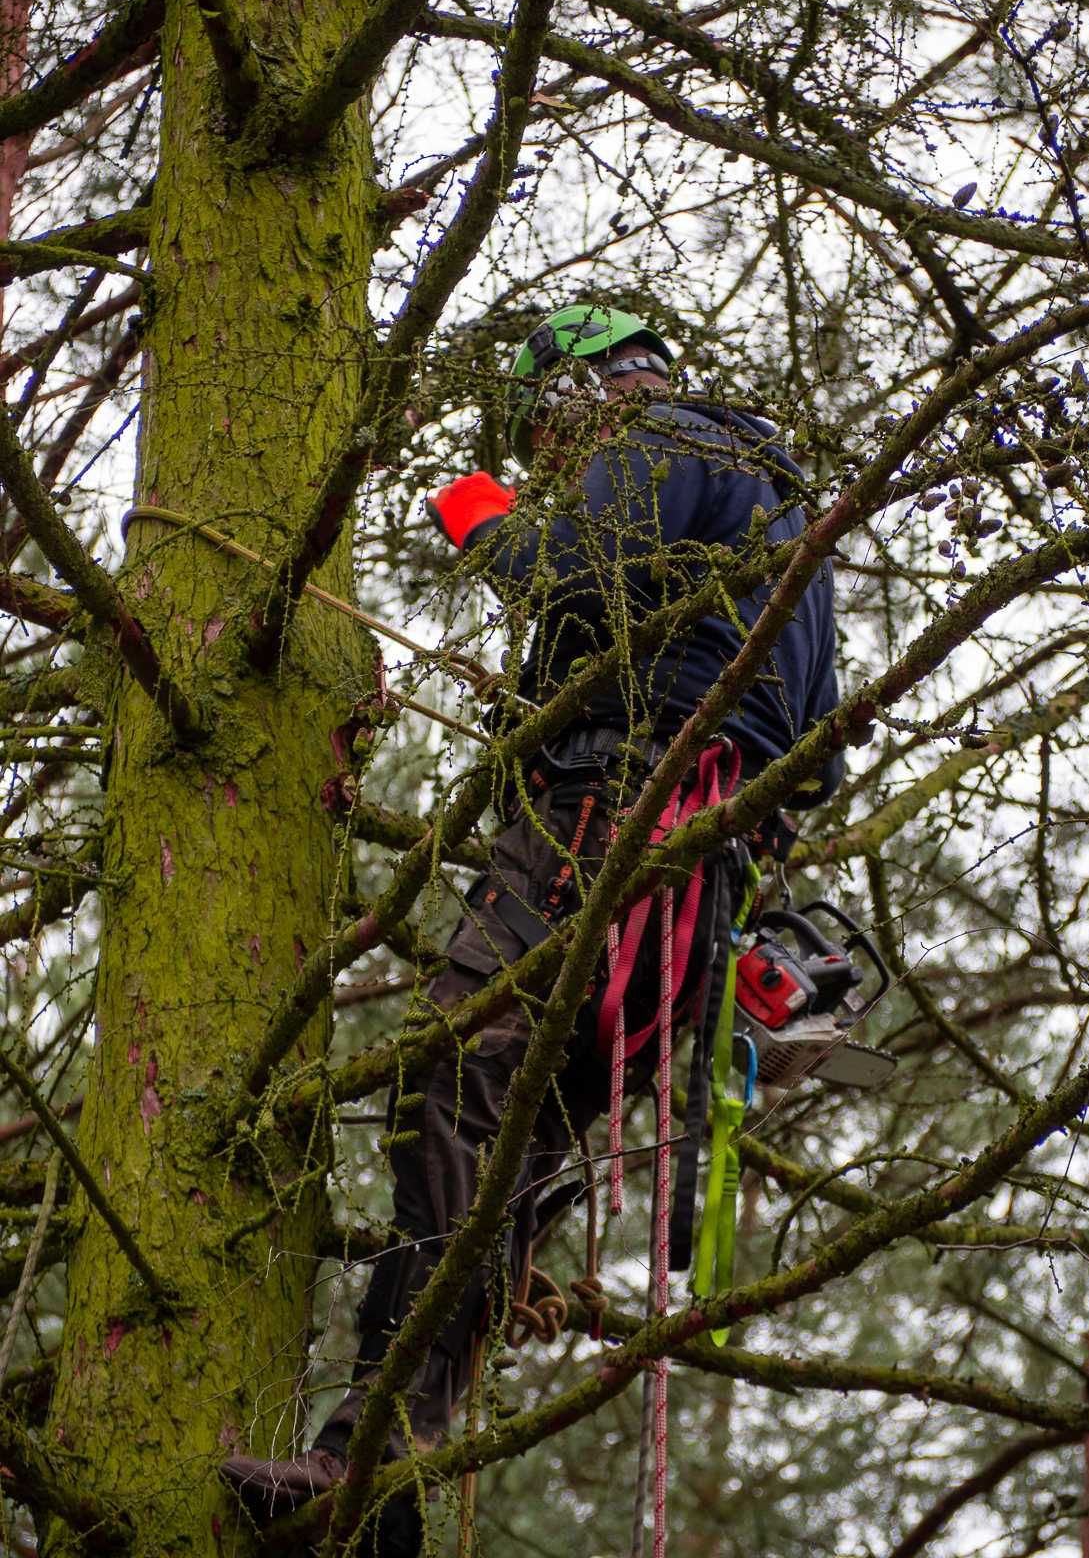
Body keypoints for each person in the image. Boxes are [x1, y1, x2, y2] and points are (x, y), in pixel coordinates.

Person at [221, 303, 844, 1553]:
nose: (550, 464)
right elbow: (800, 738)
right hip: (697, 864)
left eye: (547, 441)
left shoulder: (659, 433)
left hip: (613, 816)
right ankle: (385, 1464)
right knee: (513, 1155)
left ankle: (381, 1439)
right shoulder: (773, 497)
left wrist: (465, 498)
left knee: (447, 1080)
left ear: (580, 391)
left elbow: (560, 568)